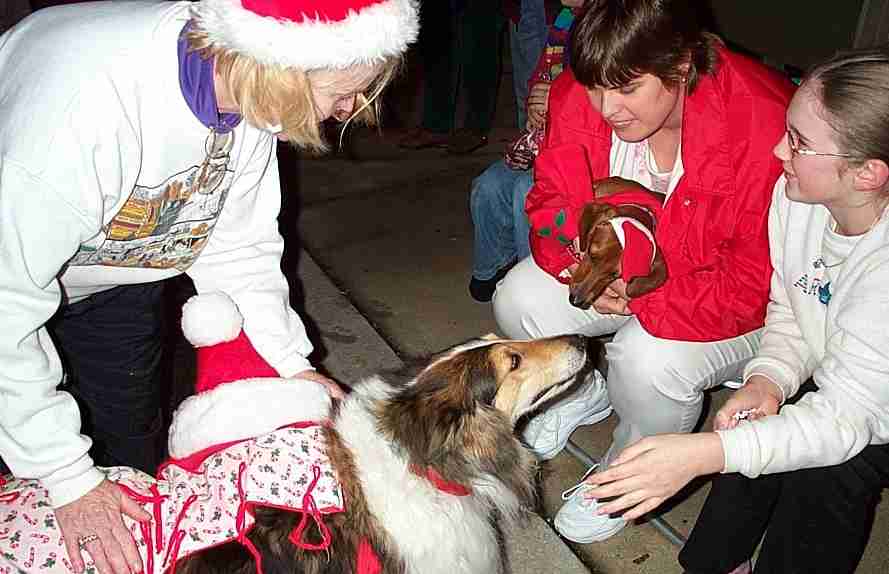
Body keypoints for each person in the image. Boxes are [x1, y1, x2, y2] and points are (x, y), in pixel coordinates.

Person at [0, 0, 418, 573]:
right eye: (344, 93)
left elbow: (239, 244)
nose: (351, 110)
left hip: (122, 275)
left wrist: (288, 362)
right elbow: (6, 304)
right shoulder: (82, 111)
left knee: (132, 466)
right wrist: (65, 475)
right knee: (46, 488)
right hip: (11, 273)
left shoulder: (250, 97)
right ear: (283, 64)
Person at [491, 0, 794, 543]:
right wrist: (579, 268)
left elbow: (755, 281)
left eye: (627, 89)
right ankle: (582, 391)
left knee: (647, 356)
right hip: (634, 279)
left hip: (747, 302)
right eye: (594, 88)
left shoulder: (765, 121)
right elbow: (552, 202)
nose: (607, 108)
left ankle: (628, 474)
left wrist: (640, 304)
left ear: (681, 66)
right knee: (519, 297)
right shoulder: (585, 87)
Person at [581, 47, 889, 574]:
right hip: (844, 372)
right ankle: (714, 562)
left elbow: (848, 416)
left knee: (829, 468)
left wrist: (706, 452)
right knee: (755, 420)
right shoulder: (797, 199)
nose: (776, 149)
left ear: (867, 173)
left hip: (873, 402)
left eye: (798, 142)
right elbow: (793, 309)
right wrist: (767, 379)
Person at [468, 0, 584, 302]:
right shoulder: (564, 21)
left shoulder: (614, 24)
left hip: (586, 152)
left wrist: (557, 99)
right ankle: (493, 269)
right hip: (551, 142)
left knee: (526, 190)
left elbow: (609, 105)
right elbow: (541, 76)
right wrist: (537, 98)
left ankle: (533, 287)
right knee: (488, 186)